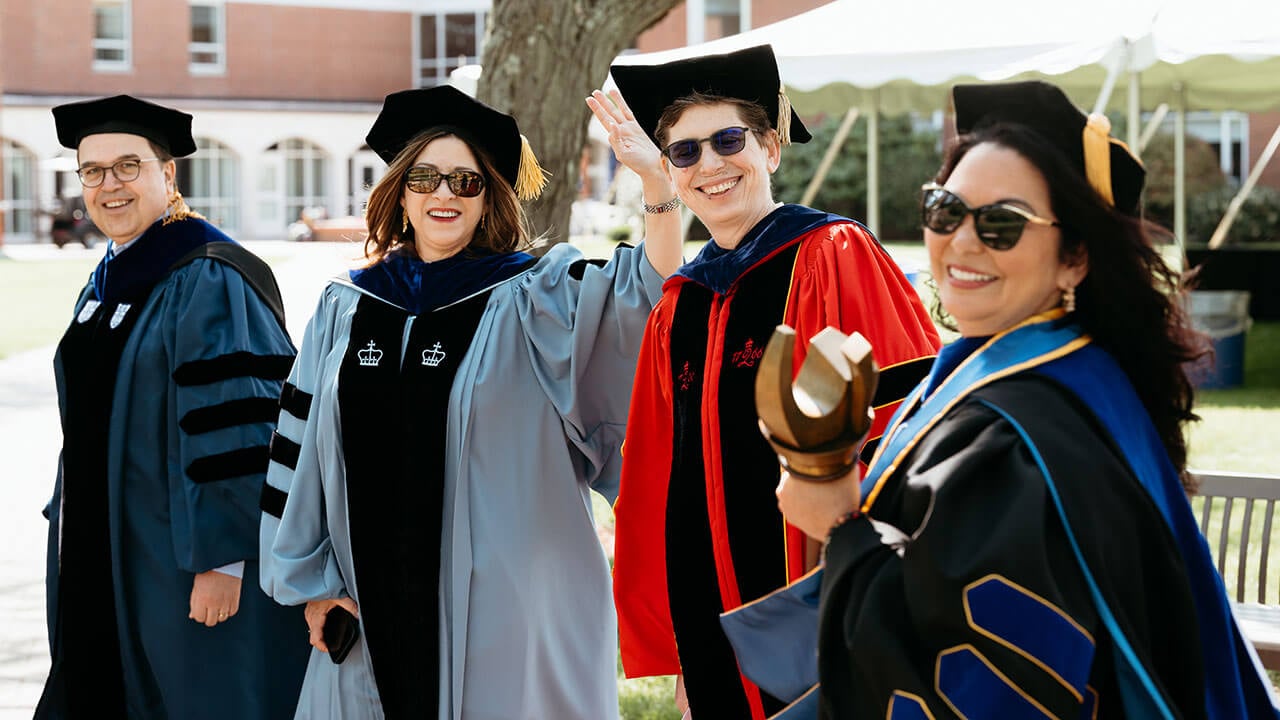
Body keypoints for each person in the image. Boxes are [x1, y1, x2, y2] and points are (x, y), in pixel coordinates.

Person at [776, 80, 1280, 718]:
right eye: (945, 210)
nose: (962, 241)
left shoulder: (1020, 437)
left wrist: (838, 524)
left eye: (1002, 224)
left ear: (1074, 258)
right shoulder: (1078, 377)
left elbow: (976, 684)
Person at [259, 85, 679, 720]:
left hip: (504, 613)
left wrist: (656, 187)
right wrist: (314, 590)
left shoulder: (534, 299)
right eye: (426, 177)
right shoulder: (345, 307)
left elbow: (644, 297)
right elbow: (301, 457)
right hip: (365, 617)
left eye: (466, 181)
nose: (444, 194)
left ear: (490, 199)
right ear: (400, 190)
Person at [594, 44, 941, 719]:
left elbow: (903, 428)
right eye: (685, 152)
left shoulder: (833, 254)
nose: (710, 164)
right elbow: (664, 478)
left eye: (729, 140)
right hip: (710, 617)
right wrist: (682, 651)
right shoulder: (681, 303)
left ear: (772, 149)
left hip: (819, 606)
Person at [37, 95, 308, 719]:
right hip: (102, 542)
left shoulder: (210, 276)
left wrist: (225, 560)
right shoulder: (106, 278)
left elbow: (244, 427)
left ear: (168, 173)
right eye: (93, 170)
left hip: (181, 559)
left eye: (128, 166)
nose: (110, 186)